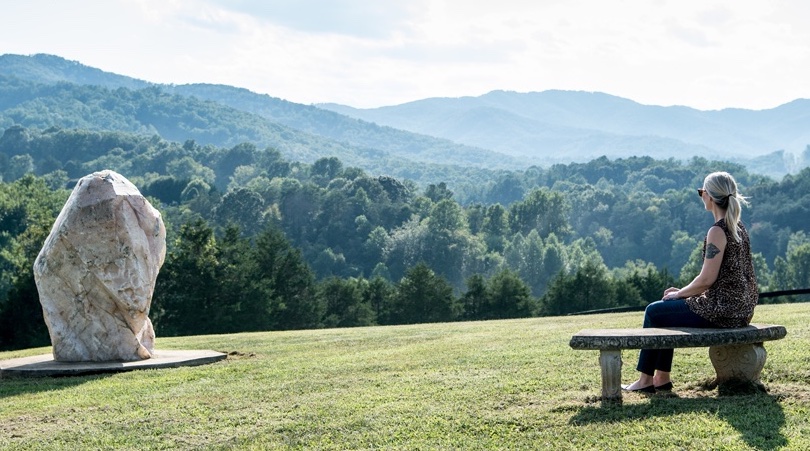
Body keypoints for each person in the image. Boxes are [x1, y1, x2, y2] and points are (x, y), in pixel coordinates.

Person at [622, 171, 758, 393]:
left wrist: (679, 295)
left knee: (655, 311)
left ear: (710, 197)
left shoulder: (717, 231)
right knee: (667, 311)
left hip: (722, 309)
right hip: (741, 309)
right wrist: (684, 292)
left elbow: (706, 279)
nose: (701, 196)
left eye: (701, 192)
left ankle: (645, 381)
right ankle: (661, 378)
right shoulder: (738, 227)